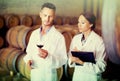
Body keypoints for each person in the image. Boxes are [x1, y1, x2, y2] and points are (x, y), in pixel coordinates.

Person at [24, 2, 67, 81]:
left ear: (54, 17)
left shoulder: (59, 37)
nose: (47, 19)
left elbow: (63, 59)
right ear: (40, 14)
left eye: (50, 16)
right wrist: (28, 60)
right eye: (45, 15)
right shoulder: (34, 34)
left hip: (49, 76)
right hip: (35, 75)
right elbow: (29, 52)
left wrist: (48, 57)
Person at [68, 12, 107, 81]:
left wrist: (81, 62)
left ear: (91, 24)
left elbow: (101, 66)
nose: (79, 25)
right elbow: (70, 58)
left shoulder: (99, 41)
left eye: (82, 23)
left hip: (92, 77)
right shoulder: (75, 38)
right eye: (78, 22)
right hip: (77, 76)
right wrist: (72, 59)